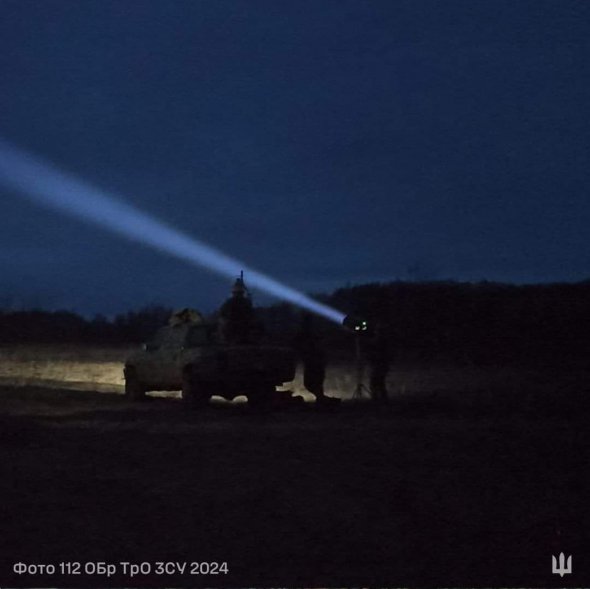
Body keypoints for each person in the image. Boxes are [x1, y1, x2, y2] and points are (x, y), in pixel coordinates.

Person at [292, 314, 338, 405]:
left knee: (313, 382)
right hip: (313, 361)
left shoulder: (309, 333)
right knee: (313, 382)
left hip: (314, 361)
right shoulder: (311, 333)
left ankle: (322, 399)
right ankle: (322, 399)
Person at [218, 273, 257, 344]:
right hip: (241, 331)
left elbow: (222, 314)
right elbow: (252, 314)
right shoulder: (245, 302)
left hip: (234, 331)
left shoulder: (229, 302)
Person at [366, 322, 391, 402]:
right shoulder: (385, 340)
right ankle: (383, 398)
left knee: (375, 382)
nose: (375, 331)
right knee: (381, 383)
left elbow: (373, 346)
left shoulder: (380, 340)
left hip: (379, 364)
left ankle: (376, 399)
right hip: (382, 364)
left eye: (376, 330)